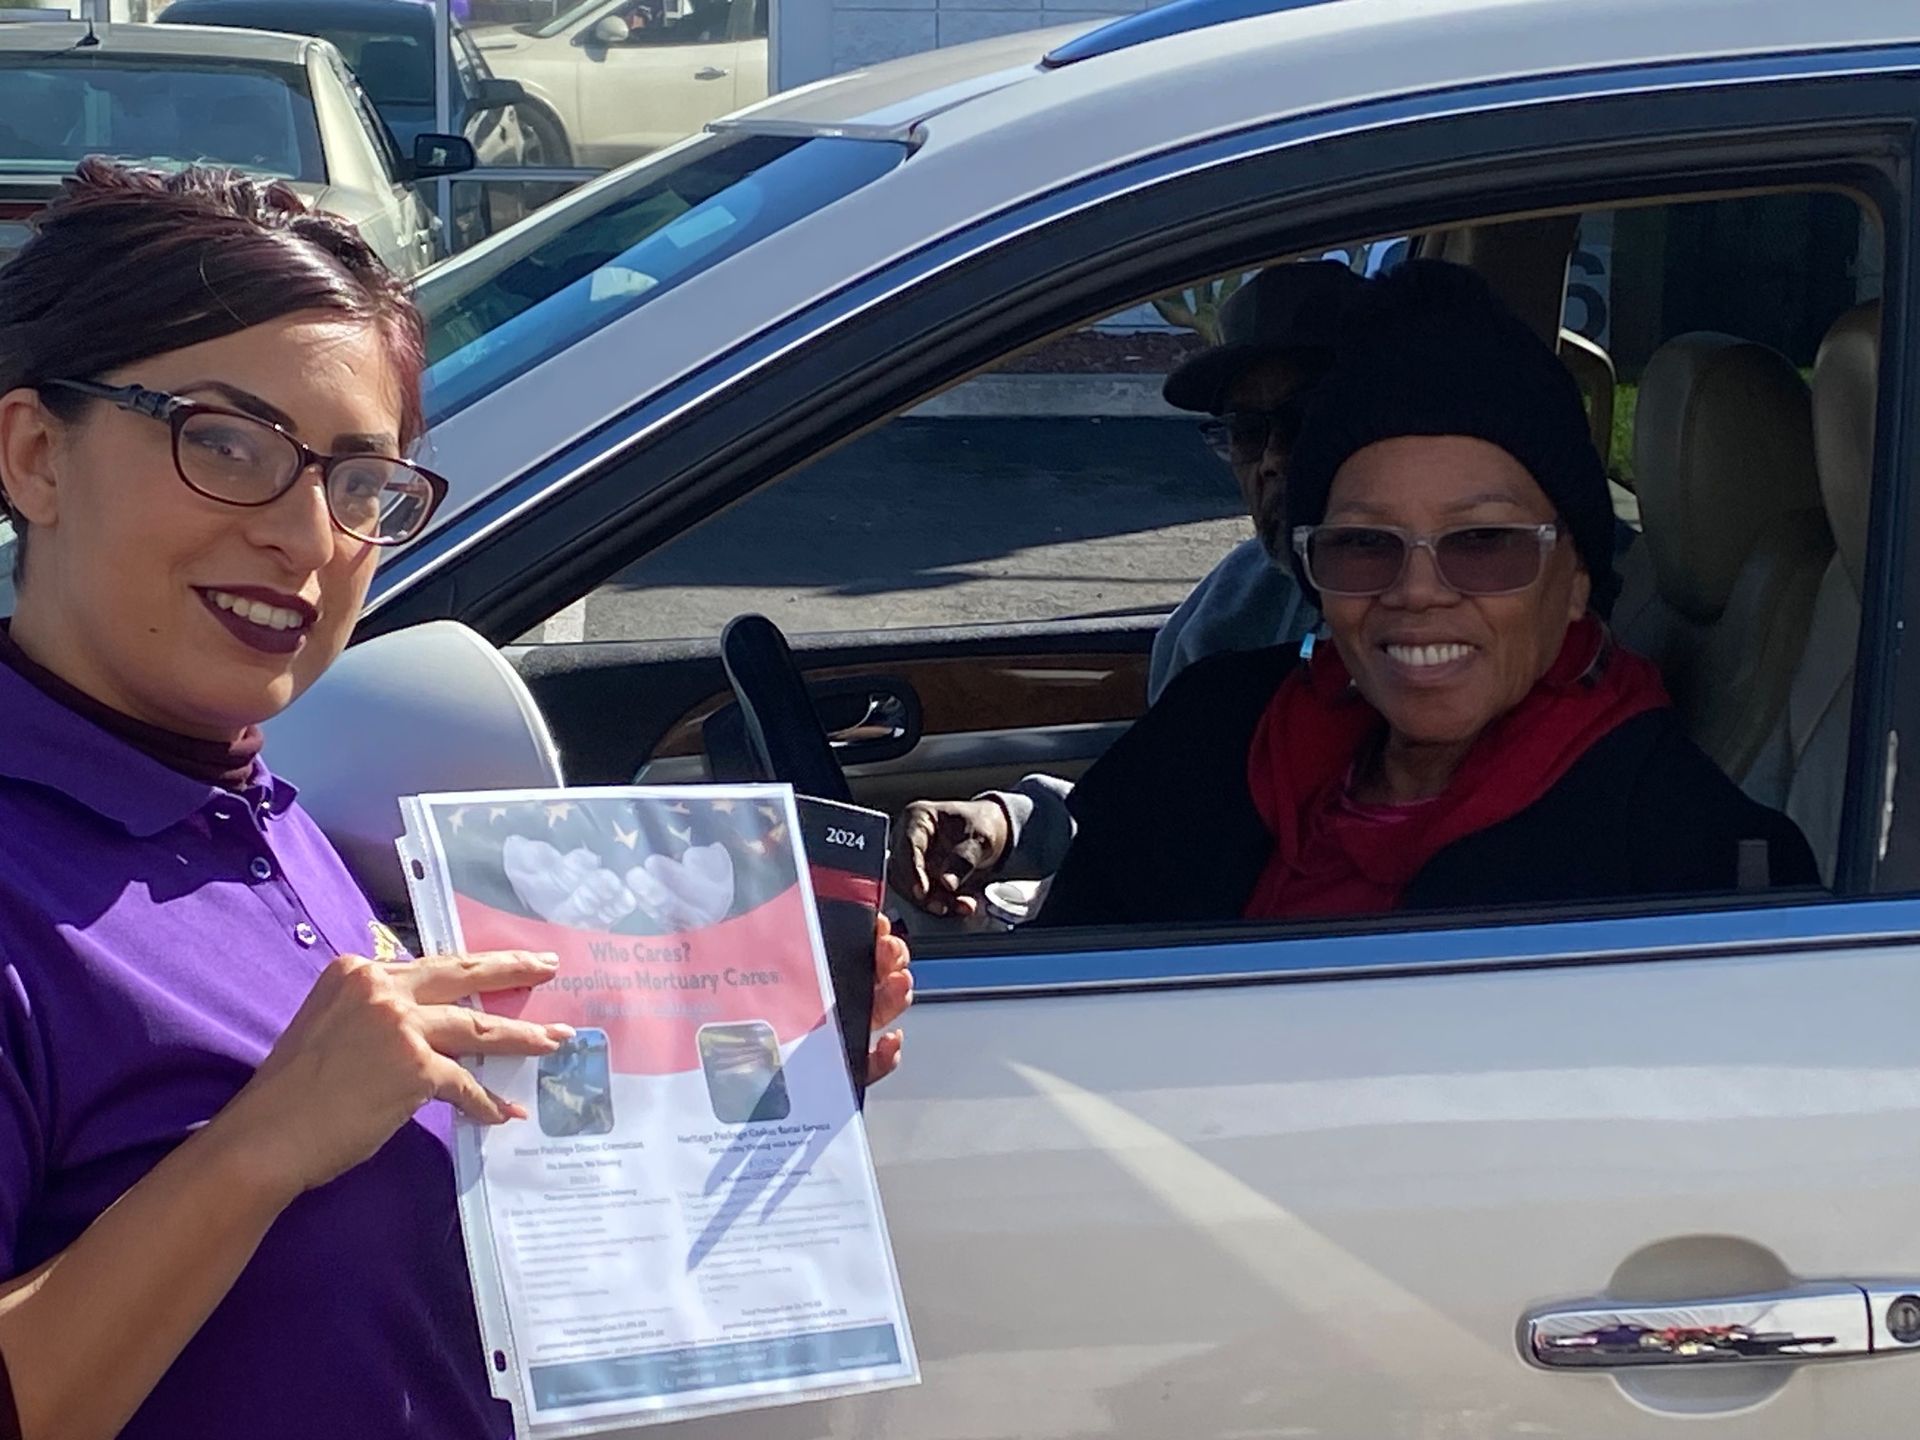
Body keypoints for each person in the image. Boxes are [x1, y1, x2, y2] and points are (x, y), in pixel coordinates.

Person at [0, 159, 912, 1440]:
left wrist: (725, 1091)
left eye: (361, 484)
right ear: (37, 453)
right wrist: (258, 1149)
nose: (309, 536)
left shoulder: (251, 805)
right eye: (227, 443)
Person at [1032, 259, 1816, 927]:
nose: (1415, 592)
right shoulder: (1213, 730)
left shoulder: (1694, 869)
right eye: (1364, 544)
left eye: (1483, 544)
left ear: (1577, 577)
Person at [892, 261, 1361, 918]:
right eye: (1248, 432)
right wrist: (1006, 823)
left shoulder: (1443, 643)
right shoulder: (1234, 606)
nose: (1274, 461)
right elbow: (1163, 806)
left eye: (1305, 421)